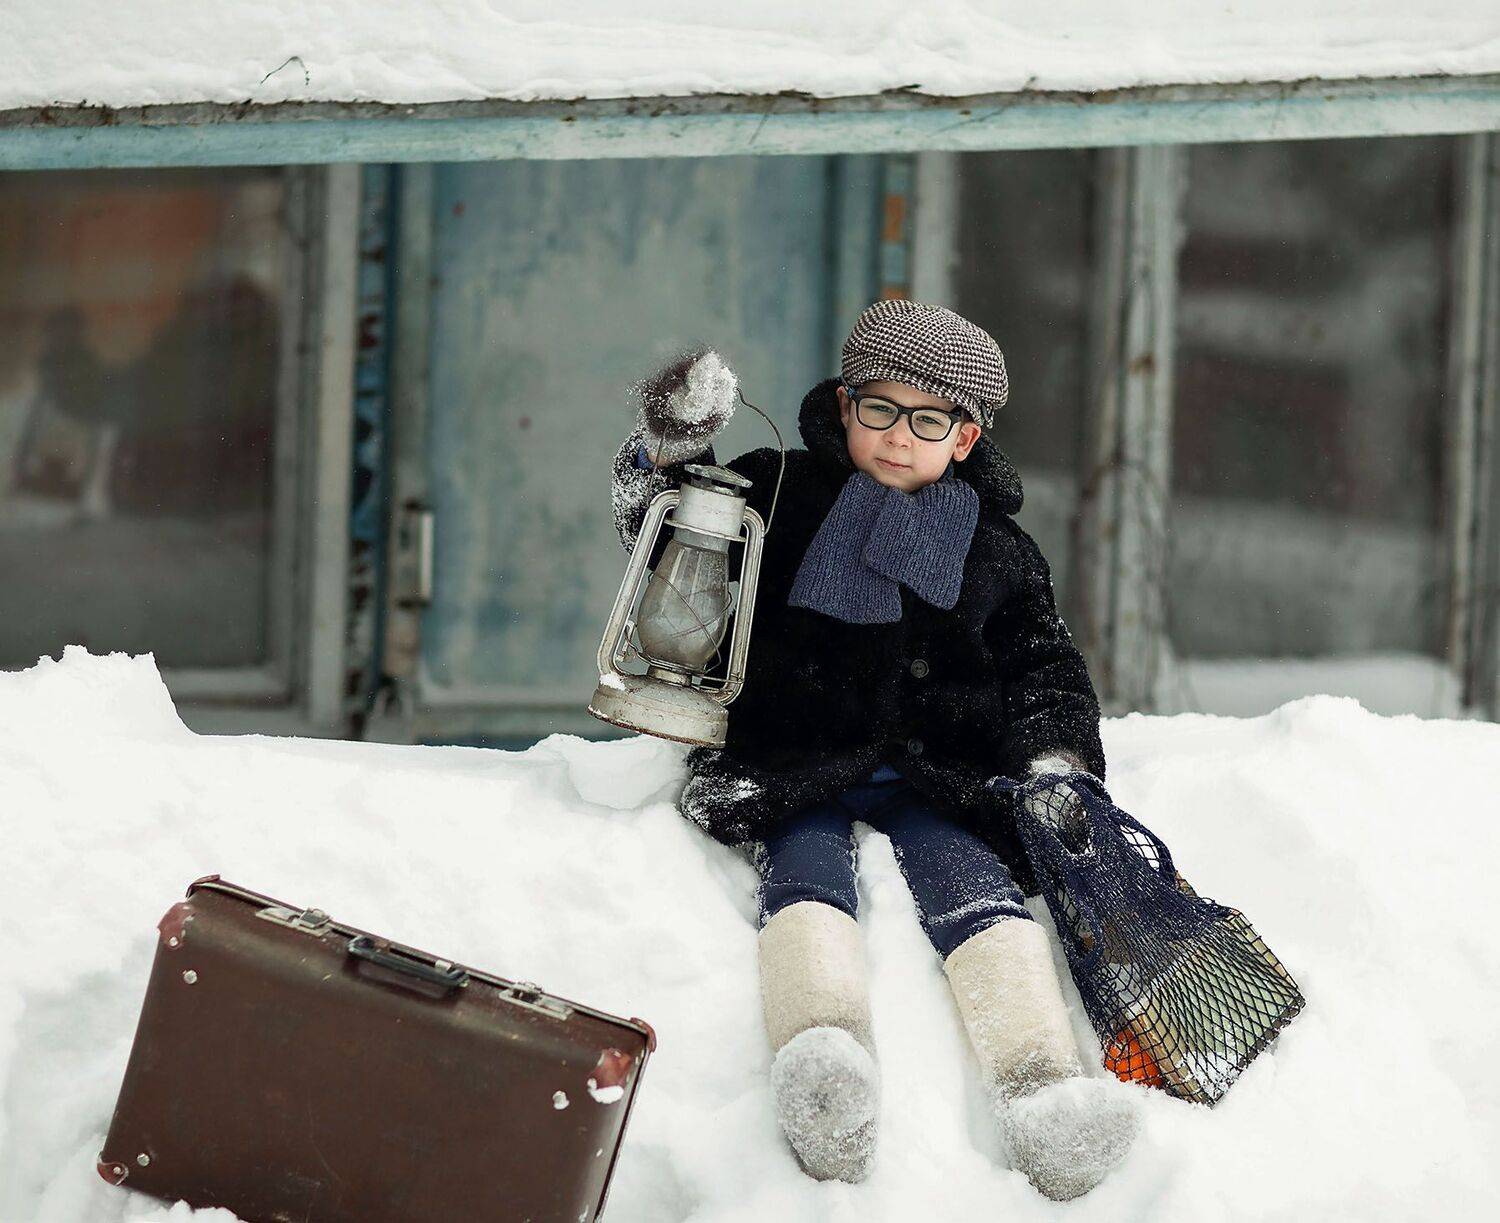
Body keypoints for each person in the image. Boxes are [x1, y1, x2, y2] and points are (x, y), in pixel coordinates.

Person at [608, 300, 1139, 1199]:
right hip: (795, 754)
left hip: (936, 774)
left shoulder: (998, 551)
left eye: (928, 420)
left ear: (965, 438)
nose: (899, 438)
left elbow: (1043, 665)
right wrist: (668, 447)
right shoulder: (778, 489)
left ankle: (1040, 1083)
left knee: (977, 888)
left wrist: (1057, 762)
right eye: (880, 410)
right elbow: (675, 538)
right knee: (805, 874)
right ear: (846, 406)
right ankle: (825, 1055)